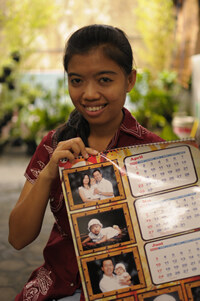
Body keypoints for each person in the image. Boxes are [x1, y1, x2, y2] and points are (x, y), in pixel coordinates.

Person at [8, 24, 164, 301]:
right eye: (77, 80)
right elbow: (18, 238)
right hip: (59, 285)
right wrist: (48, 174)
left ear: (130, 80)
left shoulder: (152, 150)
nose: (89, 94)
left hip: (131, 289)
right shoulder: (54, 145)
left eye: (105, 80)